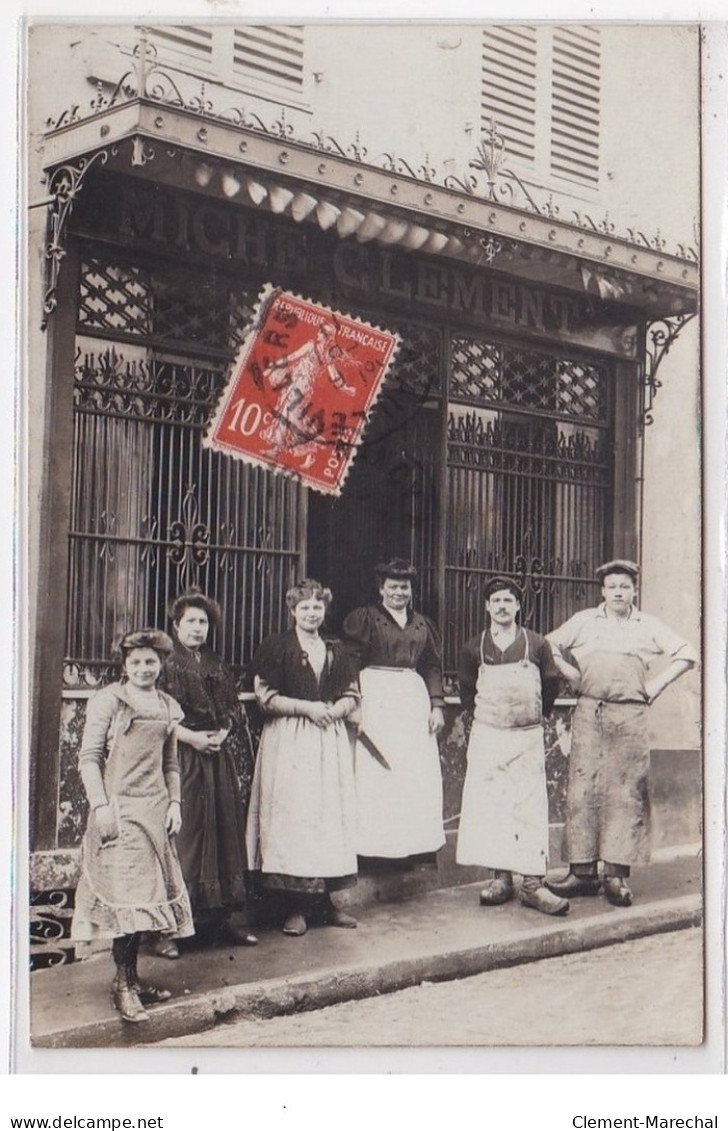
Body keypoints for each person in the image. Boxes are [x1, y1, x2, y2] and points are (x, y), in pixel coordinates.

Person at [545, 560, 698, 907]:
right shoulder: (584, 620)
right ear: (602, 590)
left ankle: (615, 877)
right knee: (583, 792)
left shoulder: (647, 625)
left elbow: (688, 653)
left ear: (634, 591)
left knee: (625, 794)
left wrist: (655, 684)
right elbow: (547, 646)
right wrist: (570, 673)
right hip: (589, 712)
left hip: (630, 716)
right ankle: (581, 874)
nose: (618, 592)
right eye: (612, 586)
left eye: (624, 586)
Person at [70, 629, 194, 1023]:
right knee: (126, 898)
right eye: (136, 662)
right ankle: (122, 984)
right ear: (124, 665)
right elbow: (89, 758)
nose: (144, 668)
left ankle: (133, 979)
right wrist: (101, 806)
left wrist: (175, 802)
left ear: (161, 664)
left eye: (151, 661)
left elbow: (171, 763)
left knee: (145, 897)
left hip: (155, 811)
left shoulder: (167, 706)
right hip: (119, 811)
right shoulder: (109, 700)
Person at [245, 579, 360, 936]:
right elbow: (265, 697)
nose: (312, 613)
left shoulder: (336, 648)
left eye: (317, 607)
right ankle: (294, 907)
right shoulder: (276, 647)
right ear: (292, 610)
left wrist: (336, 710)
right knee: (294, 818)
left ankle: (327, 904)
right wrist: (307, 708)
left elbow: (353, 693)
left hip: (328, 738)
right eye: (304, 607)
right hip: (290, 740)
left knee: (327, 816)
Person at [455, 579, 568, 915]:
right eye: (496, 601)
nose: (502, 606)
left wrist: (538, 715)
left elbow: (550, 683)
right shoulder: (473, 647)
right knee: (492, 806)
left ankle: (533, 884)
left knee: (529, 807)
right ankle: (500, 878)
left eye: (508, 600)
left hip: (526, 735)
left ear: (518, 606)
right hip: (489, 734)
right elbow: (465, 691)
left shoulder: (536, 644)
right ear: (487, 607)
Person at [158, 589, 258, 952]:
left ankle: (220, 923)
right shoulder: (165, 663)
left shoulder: (216, 663)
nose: (198, 628)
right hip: (183, 757)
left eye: (203, 622)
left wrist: (224, 732)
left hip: (217, 758)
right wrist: (193, 739)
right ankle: (169, 930)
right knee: (187, 840)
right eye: (191, 622)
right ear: (176, 625)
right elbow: (160, 716)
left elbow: (232, 707)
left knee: (223, 835)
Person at [342, 559, 446, 860]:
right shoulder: (365, 618)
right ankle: (374, 850)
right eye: (393, 587)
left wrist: (437, 705)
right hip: (376, 698)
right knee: (377, 771)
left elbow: (431, 666)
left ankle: (411, 848)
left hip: (412, 701)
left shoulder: (422, 624)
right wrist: (353, 701)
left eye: (405, 587)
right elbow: (349, 661)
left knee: (411, 771)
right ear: (381, 589)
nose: (399, 593)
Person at [261, 321, 357, 470]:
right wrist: (273, 366)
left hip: (303, 387)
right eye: (320, 331)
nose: (319, 334)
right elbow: (292, 357)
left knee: (289, 415)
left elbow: (334, 375)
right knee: (288, 413)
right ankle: (302, 447)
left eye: (323, 333)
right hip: (295, 381)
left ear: (329, 338)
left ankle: (284, 448)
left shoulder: (326, 356)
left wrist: (345, 388)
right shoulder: (310, 345)